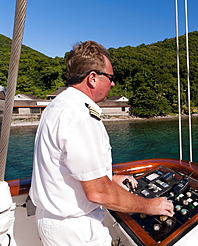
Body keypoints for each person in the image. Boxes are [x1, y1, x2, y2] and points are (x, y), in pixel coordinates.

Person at [29, 41, 174, 246]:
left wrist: (109, 177)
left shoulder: (58, 105)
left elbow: (68, 167)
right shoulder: (80, 116)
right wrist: (149, 206)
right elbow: (99, 192)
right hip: (76, 230)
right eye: (110, 77)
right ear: (93, 78)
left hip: (54, 223)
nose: (113, 84)